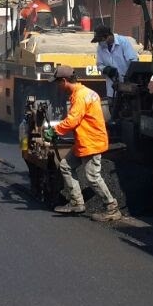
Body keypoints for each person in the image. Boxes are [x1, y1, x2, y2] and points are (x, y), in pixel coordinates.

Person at [43, 65, 119, 220]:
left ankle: (112, 208)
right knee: (65, 166)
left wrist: (54, 131)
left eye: (58, 83)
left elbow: (72, 121)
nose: (58, 86)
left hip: (91, 142)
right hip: (84, 140)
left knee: (92, 176)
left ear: (64, 81)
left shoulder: (80, 96)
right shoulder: (85, 92)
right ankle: (77, 202)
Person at [91, 25, 139, 98]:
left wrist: (128, 76)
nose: (100, 43)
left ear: (108, 36)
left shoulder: (123, 42)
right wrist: (106, 69)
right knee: (113, 107)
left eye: (101, 40)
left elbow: (133, 61)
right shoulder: (100, 47)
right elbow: (99, 65)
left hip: (127, 87)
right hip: (112, 89)